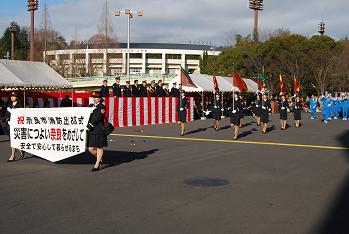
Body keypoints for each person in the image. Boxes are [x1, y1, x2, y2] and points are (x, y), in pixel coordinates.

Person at [86, 91, 107, 172]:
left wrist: (89, 126)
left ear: (100, 98)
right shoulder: (90, 106)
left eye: (96, 97)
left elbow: (98, 118)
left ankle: (97, 164)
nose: (94, 99)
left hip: (98, 129)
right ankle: (100, 158)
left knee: (99, 147)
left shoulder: (102, 107)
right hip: (91, 130)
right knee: (90, 149)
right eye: (93, 97)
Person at [6, 92, 24, 162]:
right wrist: (8, 120)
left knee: (17, 138)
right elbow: (6, 115)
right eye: (11, 96)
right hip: (11, 125)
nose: (12, 97)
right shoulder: (9, 105)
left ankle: (20, 149)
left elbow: (21, 115)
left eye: (13, 96)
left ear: (16, 97)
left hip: (17, 125)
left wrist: (13, 112)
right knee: (12, 140)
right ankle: (12, 155)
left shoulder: (19, 105)